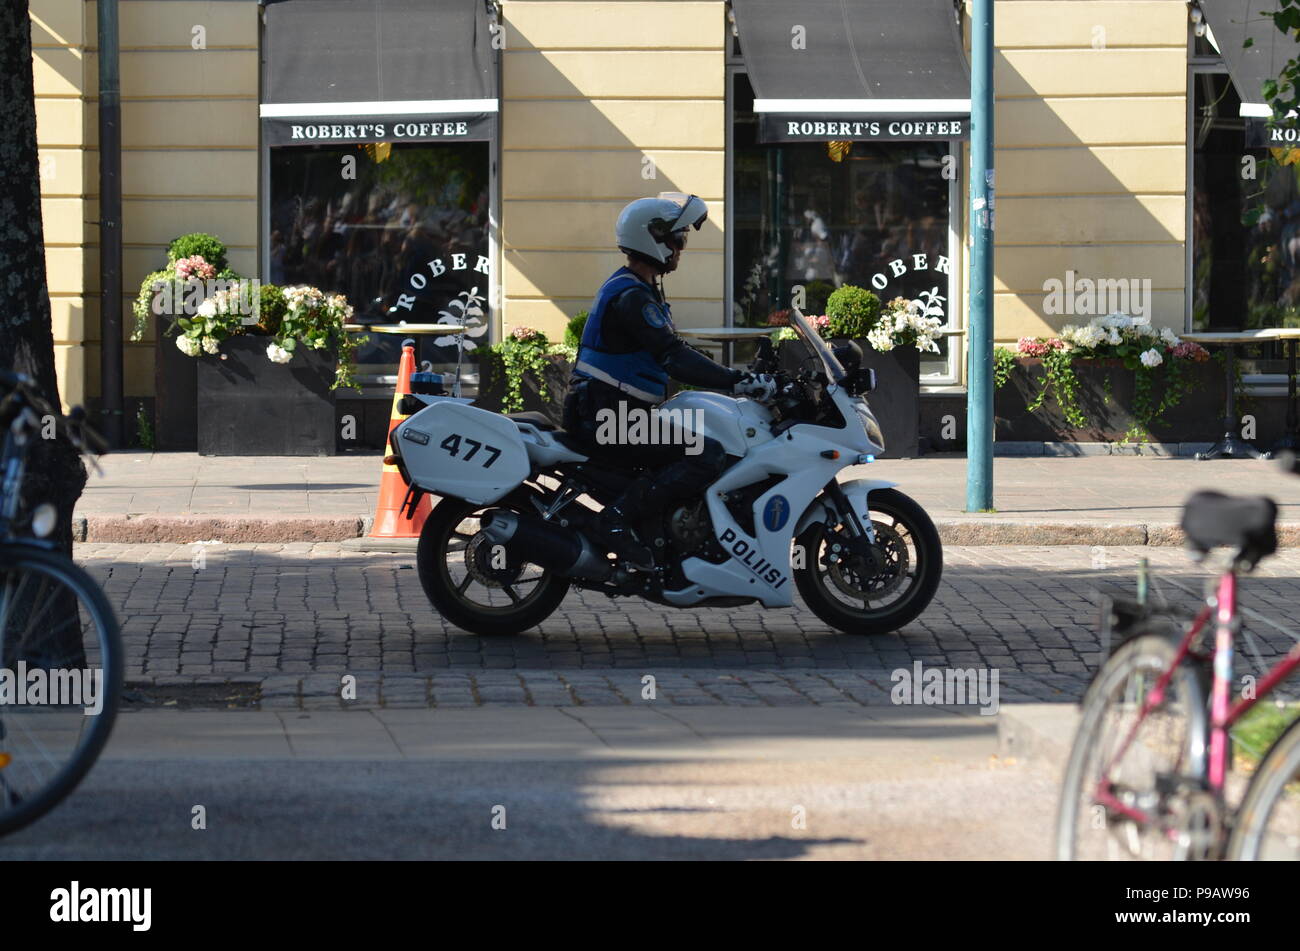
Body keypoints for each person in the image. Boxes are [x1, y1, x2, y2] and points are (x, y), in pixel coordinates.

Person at [562, 192, 776, 568]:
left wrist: (738, 374)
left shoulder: (639, 289)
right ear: (654, 239)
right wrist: (737, 381)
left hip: (614, 411)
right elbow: (673, 356)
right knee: (706, 452)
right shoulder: (631, 296)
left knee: (709, 436)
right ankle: (615, 521)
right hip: (606, 417)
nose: (681, 249)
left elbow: (674, 349)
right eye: (677, 239)